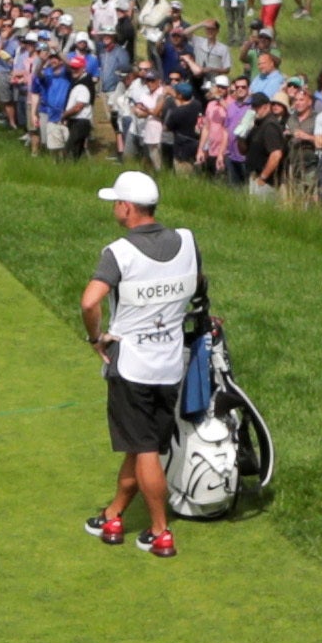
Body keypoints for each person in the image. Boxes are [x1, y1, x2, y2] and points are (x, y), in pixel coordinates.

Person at [80, 170, 201, 558]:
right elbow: (198, 287)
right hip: (170, 365)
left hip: (132, 366)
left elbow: (89, 302)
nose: (115, 207)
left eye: (116, 202)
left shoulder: (118, 252)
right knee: (141, 444)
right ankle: (113, 514)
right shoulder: (187, 240)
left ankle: (160, 532)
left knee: (145, 447)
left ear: (127, 208)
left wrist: (95, 339)